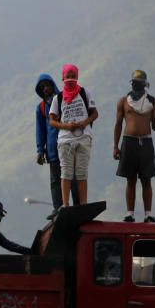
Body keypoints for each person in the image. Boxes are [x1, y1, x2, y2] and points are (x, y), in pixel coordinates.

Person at [114, 70, 155, 223]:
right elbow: (118, 124)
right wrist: (115, 146)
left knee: (146, 180)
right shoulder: (123, 101)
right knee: (130, 179)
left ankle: (148, 215)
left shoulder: (153, 102)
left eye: (139, 83)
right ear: (131, 83)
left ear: (144, 84)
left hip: (145, 142)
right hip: (128, 142)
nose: (136, 85)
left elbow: (154, 125)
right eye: (134, 83)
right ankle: (130, 214)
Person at [48, 64, 98, 207]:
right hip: (65, 139)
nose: (70, 79)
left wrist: (85, 122)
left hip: (83, 137)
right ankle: (65, 204)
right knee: (66, 172)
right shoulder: (58, 98)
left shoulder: (85, 93)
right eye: (67, 76)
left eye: (72, 75)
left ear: (77, 76)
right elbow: (51, 120)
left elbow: (95, 113)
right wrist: (66, 126)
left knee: (82, 172)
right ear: (63, 77)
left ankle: (83, 204)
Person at [34, 73, 77, 209]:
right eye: (42, 87)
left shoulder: (65, 100)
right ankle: (58, 208)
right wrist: (40, 150)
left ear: (53, 85)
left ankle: (78, 205)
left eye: (47, 85)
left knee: (73, 177)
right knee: (55, 180)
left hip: (69, 146)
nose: (45, 89)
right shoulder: (41, 108)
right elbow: (40, 131)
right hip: (52, 150)